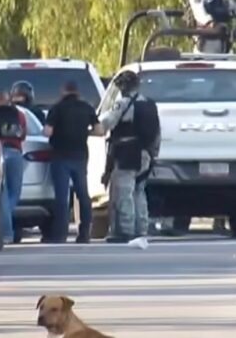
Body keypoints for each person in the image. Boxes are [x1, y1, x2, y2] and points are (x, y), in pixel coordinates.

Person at [98, 71, 161, 245]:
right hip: (146, 155)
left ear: (124, 87)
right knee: (139, 192)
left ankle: (126, 231)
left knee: (123, 193)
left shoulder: (123, 104)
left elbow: (106, 124)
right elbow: (157, 134)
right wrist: (154, 155)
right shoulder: (150, 104)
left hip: (127, 154)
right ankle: (142, 229)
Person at [44, 81, 104, 243]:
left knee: (62, 197)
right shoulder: (86, 108)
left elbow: (47, 132)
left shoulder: (57, 108)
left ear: (63, 91)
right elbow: (99, 131)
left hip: (60, 155)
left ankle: (60, 234)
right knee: (83, 194)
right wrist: (84, 131)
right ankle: (84, 233)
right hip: (80, 155)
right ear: (77, 92)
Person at [0, 90, 27, 244]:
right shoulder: (18, 114)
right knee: (14, 193)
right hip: (15, 152)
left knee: (2, 194)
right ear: (8, 99)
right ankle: (6, 230)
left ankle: (5, 231)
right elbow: (23, 134)